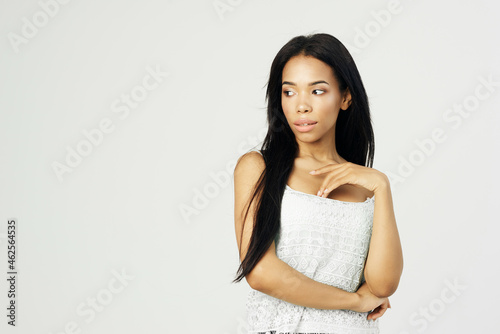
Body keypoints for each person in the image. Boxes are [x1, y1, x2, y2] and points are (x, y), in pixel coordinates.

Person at [232, 33, 403, 333]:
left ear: (346, 97)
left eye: (318, 91)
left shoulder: (365, 183)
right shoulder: (259, 168)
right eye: (289, 92)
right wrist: (353, 302)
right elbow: (260, 272)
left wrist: (381, 186)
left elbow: (383, 284)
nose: (301, 106)